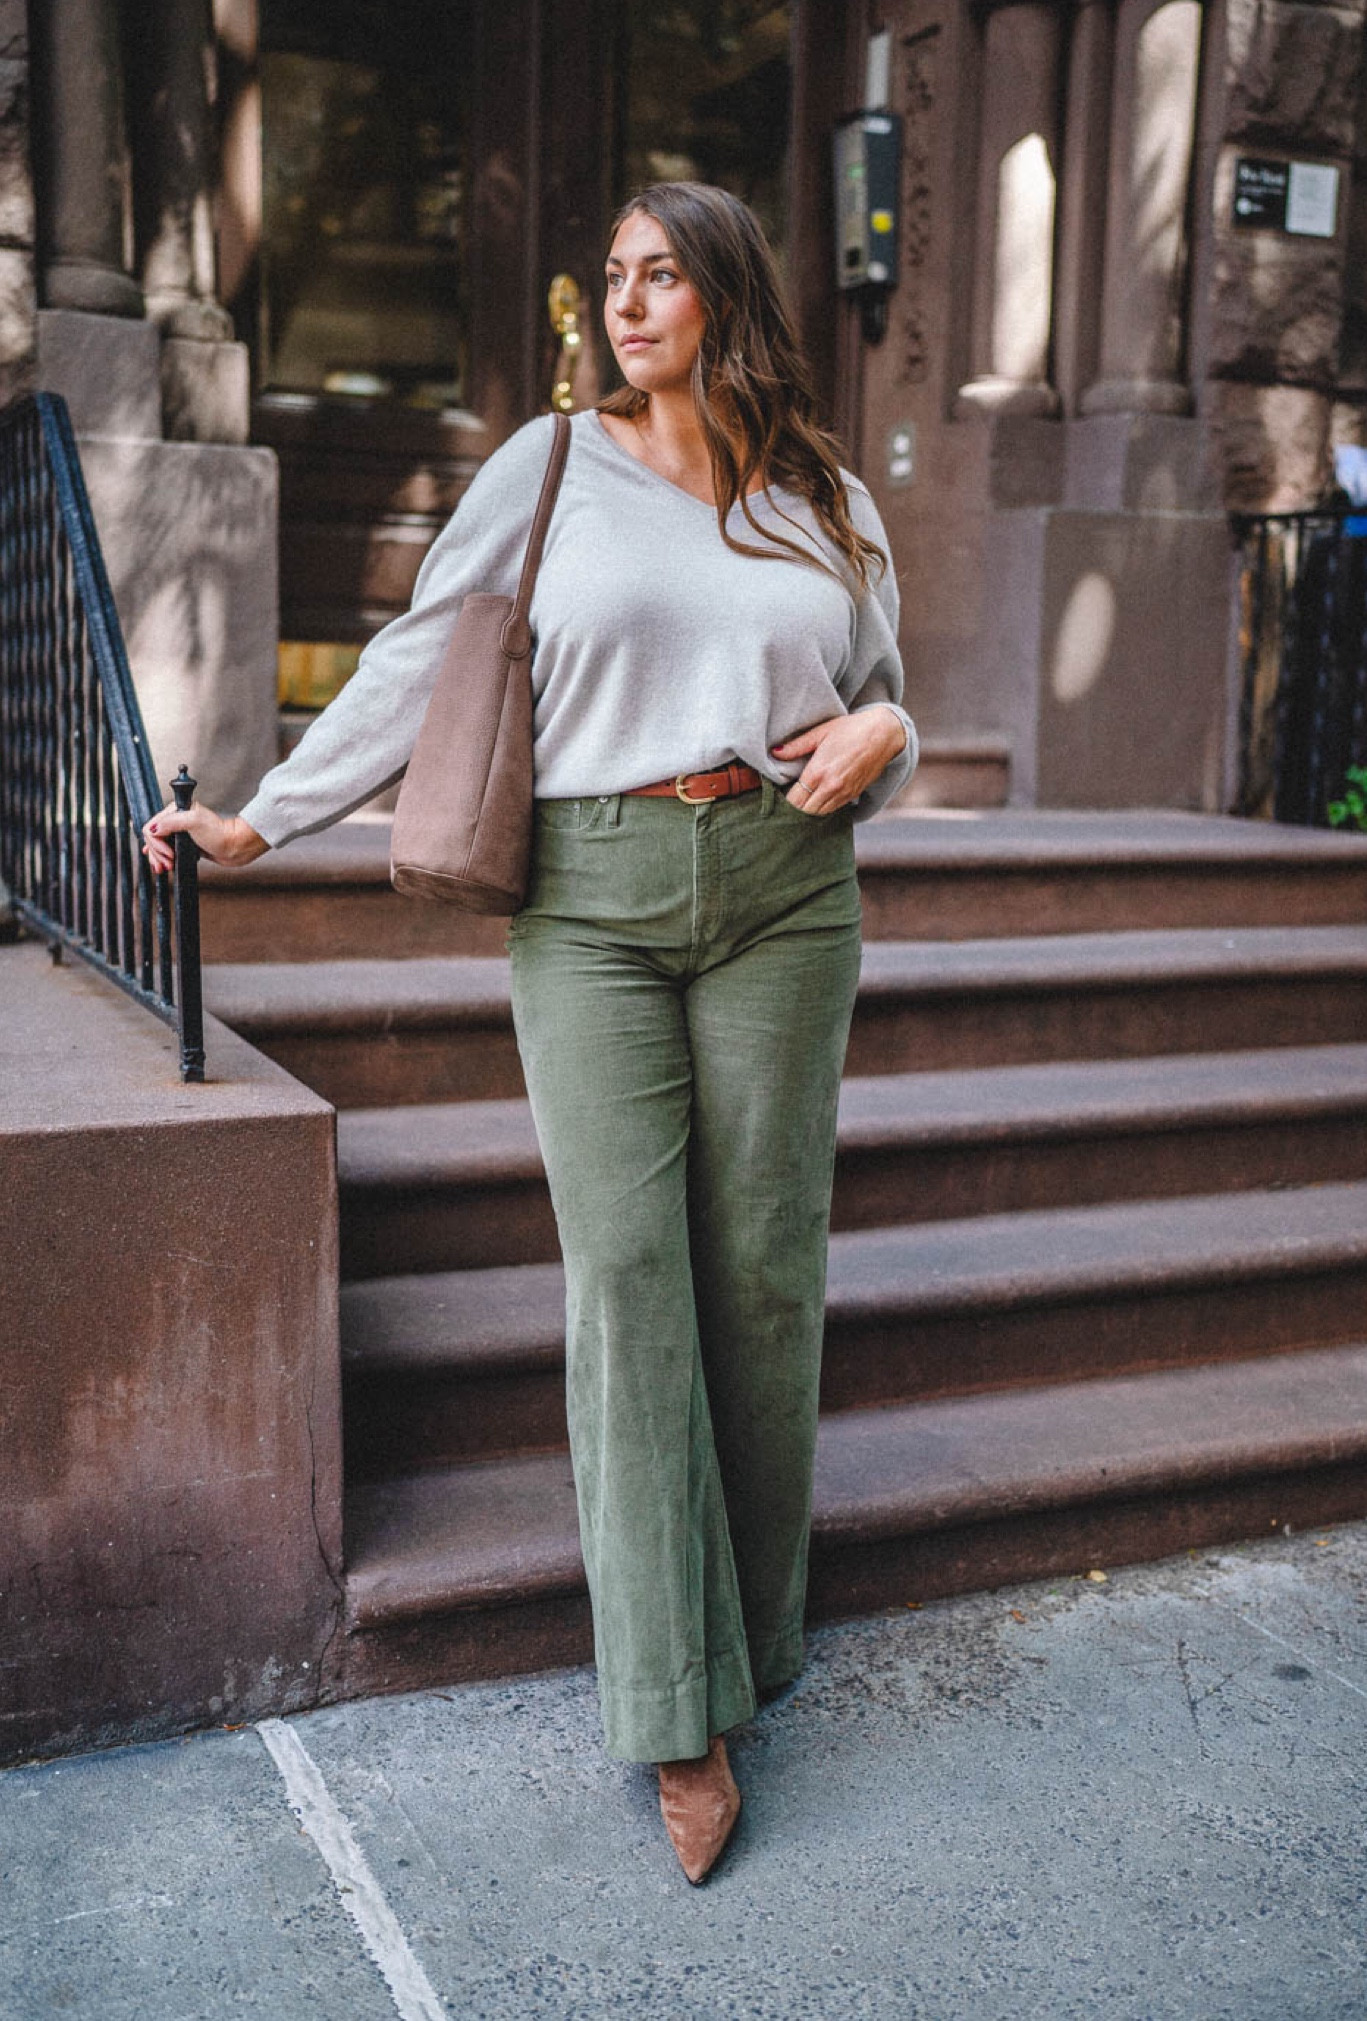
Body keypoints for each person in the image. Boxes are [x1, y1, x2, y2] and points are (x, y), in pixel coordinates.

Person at [143, 181, 916, 1885]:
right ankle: (673, 1707)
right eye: (612, 282)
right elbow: (422, 661)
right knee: (630, 1274)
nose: (624, 306)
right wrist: (268, 820)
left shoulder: (822, 494)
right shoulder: (546, 466)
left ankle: (753, 1643)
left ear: (727, 293)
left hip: (789, 885)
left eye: (659, 277)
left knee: (767, 1269)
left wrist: (887, 734)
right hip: (594, 890)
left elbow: (882, 685)